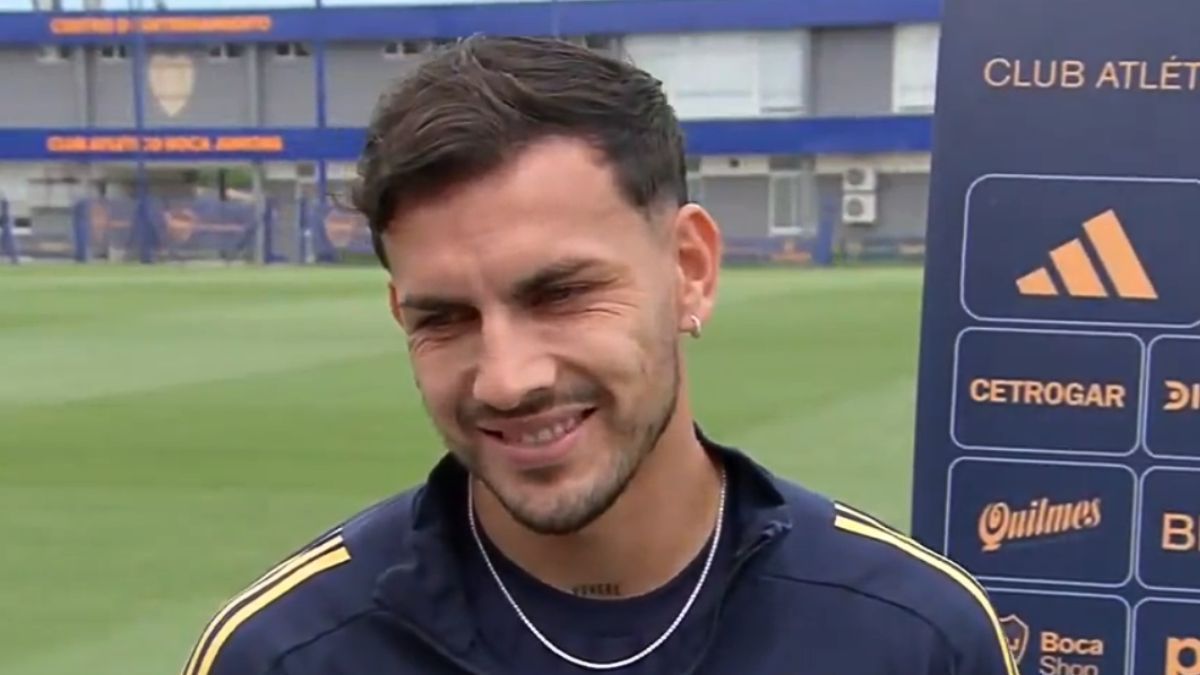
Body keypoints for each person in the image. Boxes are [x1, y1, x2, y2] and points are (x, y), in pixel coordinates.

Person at [179, 35, 1018, 675]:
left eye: (560, 294)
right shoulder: (283, 653)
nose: (507, 379)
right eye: (445, 318)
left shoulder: (917, 635)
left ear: (690, 270)